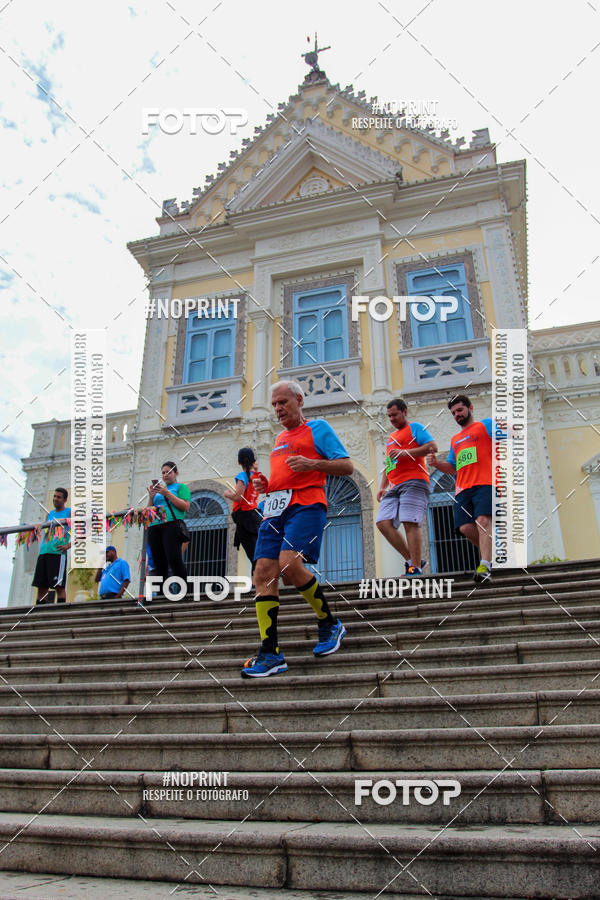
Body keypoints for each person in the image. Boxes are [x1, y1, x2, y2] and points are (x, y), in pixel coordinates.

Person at [241, 380, 353, 679]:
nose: (278, 408)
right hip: (275, 508)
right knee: (263, 572)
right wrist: (265, 485)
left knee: (290, 564)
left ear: (299, 400)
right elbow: (282, 479)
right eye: (274, 404)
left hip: (307, 504)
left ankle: (329, 623)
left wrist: (312, 463)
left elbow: (346, 466)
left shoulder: (318, 428)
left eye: (283, 402)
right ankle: (270, 653)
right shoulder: (278, 439)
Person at [427, 394, 495, 582]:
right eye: (453, 413)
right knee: (465, 528)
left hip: (485, 482)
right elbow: (453, 466)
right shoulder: (455, 439)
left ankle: (485, 565)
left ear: (470, 408)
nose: (457, 415)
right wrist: (436, 464)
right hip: (462, 488)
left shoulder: (486, 425)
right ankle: (491, 554)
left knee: (482, 520)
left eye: (460, 410)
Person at [376, 399, 437, 577]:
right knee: (383, 523)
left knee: (409, 521)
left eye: (395, 415)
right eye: (389, 416)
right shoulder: (390, 439)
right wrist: (382, 486)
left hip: (415, 480)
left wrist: (406, 453)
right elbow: (389, 464)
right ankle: (412, 560)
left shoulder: (415, 428)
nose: (392, 419)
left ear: (405, 412)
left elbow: (432, 447)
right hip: (394, 486)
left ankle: (415, 568)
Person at [146, 461, 191, 595]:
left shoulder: (180, 487)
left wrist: (167, 494)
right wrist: (151, 497)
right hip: (155, 526)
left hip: (171, 524)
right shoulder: (159, 492)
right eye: (163, 473)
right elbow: (149, 511)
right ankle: (162, 592)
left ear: (176, 473)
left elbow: (185, 506)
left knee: (174, 558)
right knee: (159, 561)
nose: (165, 475)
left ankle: (184, 591)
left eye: (169, 472)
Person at [224, 448, 262, 576]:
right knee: (257, 553)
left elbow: (239, 497)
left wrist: (228, 494)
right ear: (254, 461)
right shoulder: (257, 476)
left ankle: (257, 586)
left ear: (239, 462)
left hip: (245, 518)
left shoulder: (242, 476)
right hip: (255, 516)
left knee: (254, 556)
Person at [31, 487, 71, 605]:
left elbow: (83, 530)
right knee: (41, 586)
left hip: (58, 554)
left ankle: (60, 615)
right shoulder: (50, 514)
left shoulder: (69, 512)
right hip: (44, 552)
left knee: (59, 586)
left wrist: (69, 545)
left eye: (58, 497)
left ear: (65, 499)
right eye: (54, 496)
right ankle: (39, 616)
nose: (55, 499)